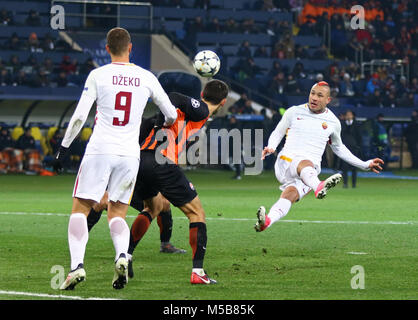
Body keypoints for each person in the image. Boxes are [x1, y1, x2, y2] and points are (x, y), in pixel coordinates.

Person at [53, 27, 177, 291]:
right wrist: (160, 123)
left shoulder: (98, 74)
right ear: (130, 48)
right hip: (129, 154)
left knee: (80, 209)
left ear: (107, 48)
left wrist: (63, 150)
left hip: (100, 150)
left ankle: (76, 267)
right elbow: (171, 115)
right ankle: (122, 257)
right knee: (117, 212)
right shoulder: (146, 77)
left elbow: (78, 116)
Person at [127, 80, 228, 284]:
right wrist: (161, 119)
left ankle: (125, 256)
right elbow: (172, 95)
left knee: (154, 207)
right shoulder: (201, 110)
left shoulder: (187, 113)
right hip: (161, 161)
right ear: (223, 102)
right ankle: (198, 273)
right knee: (197, 213)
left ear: (202, 92)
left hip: (142, 160)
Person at [255, 81, 384, 232]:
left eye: (319, 95)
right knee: (305, 163)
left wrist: (364, 164)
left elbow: (339, 148)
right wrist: (271, 146)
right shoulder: (294, 112)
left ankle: (267, 222)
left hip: (309, 174)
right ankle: (319, 187)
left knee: (289, 196)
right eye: (312, 93)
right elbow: (278, 132)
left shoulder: (333, 122)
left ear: (328, 100)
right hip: (287, 162)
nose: (314, 98)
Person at [340, 110, 363, 188]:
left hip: (354, 148)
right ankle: (345, 183)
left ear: (353, 116)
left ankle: (354, 184)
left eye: (350, 115)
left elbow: (359, 137)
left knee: (354, 166)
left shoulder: (357, 124)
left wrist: (358, 147)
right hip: (344, 148)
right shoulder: (342, 124)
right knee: (344, 167)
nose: (348, 116)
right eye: (347, 115)